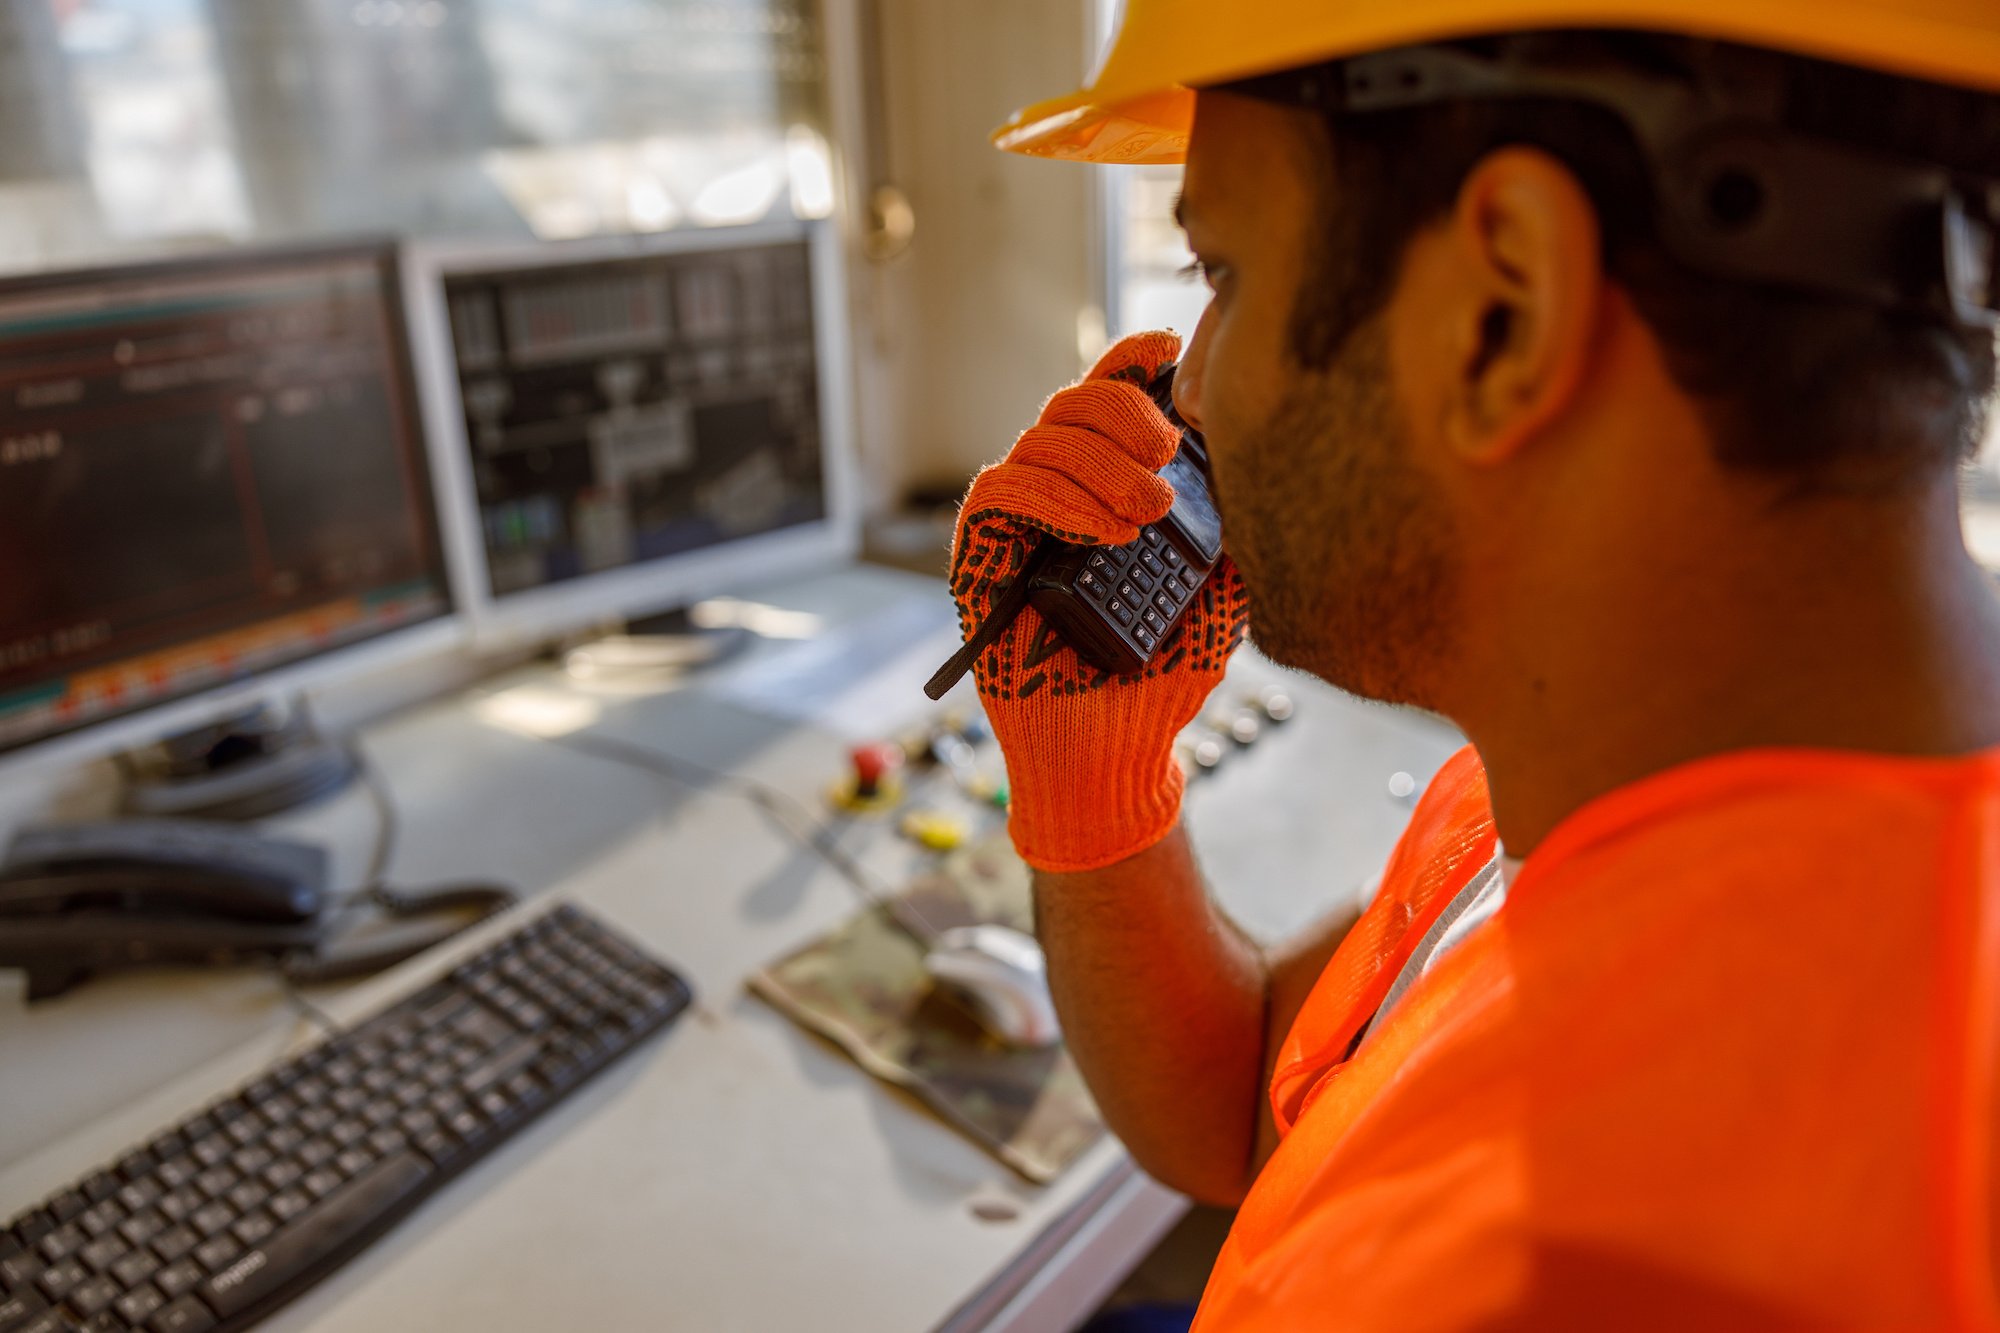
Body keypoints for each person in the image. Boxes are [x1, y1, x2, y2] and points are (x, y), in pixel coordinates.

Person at [948, 2, 2000, 1326]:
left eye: (1223, 274)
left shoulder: (1614, 1266)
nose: (1194, 389)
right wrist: (1092, 788)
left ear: (1502, 308)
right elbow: (1258, 1106)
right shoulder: (1628, 761)